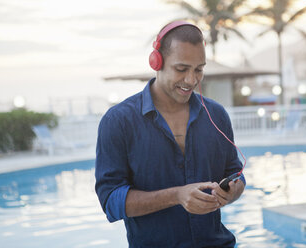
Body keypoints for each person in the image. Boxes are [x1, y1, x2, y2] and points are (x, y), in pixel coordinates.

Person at [95, 20, 246, 248]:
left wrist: (233, 191)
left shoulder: (216, 114)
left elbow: (236, 173)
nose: (191, 80)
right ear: (157, 62)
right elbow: (111, 202)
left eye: (199, 69)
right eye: (181, 69)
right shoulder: (118, 121)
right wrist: (176, 196)